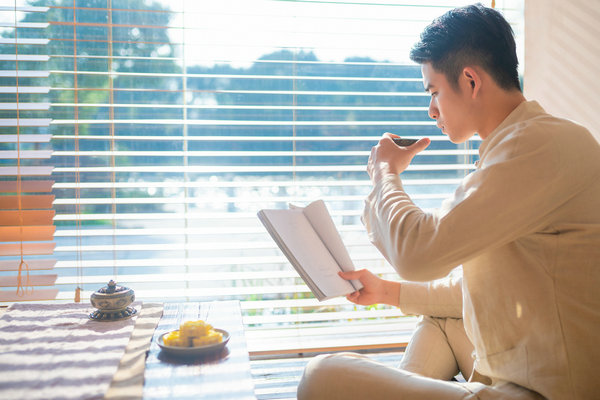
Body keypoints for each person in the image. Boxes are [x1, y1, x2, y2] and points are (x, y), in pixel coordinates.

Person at [297, 3, 600, 399]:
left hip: (546, 391)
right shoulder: (511, 147)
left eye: (434, 91)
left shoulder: (539, 147)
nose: (431, 109)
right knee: (439, 322)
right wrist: (386, 292)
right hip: (510, 367)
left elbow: (418, 253)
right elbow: (473, 291)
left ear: (471, 81)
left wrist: (385, 172)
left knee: (321, 375)